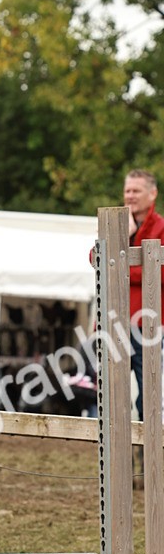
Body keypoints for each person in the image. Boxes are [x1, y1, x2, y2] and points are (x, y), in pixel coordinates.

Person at [124, 169, 164, 418]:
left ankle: (150, 443)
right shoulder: (116, 223)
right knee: (112, 395)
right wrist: (125, 235)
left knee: (150, 397)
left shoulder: (161, 227)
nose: (130, 196)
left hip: (150, 327)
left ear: (152, 194)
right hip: (116, 324)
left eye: (136, 190)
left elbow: (159, 273)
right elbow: (95, 259)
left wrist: (121, 269)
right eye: (127, 190)